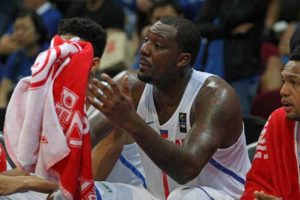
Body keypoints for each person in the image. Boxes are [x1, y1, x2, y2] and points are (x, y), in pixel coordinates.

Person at [88, 16, 251, 200]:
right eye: (146, 40)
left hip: (222, 196)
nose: (144, 49)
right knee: (76, 194)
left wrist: (131, 122)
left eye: (157, 46)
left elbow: (186, 171)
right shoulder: (130, 85)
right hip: (156, 196)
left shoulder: (214, 95)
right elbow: (87, 133)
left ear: (182, 59)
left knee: (187, 196)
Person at [240, 44, 300, 200]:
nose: (283, 91)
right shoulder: (278, 120)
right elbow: (256, 182)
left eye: (295, 83)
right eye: (284, 81)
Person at [0, 10, 48, 108]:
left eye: (25, 29)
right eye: (16, 29)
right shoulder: (16, 55)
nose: (19, 33)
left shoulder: (48, 56)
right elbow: (3, 91)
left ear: (38, 32)